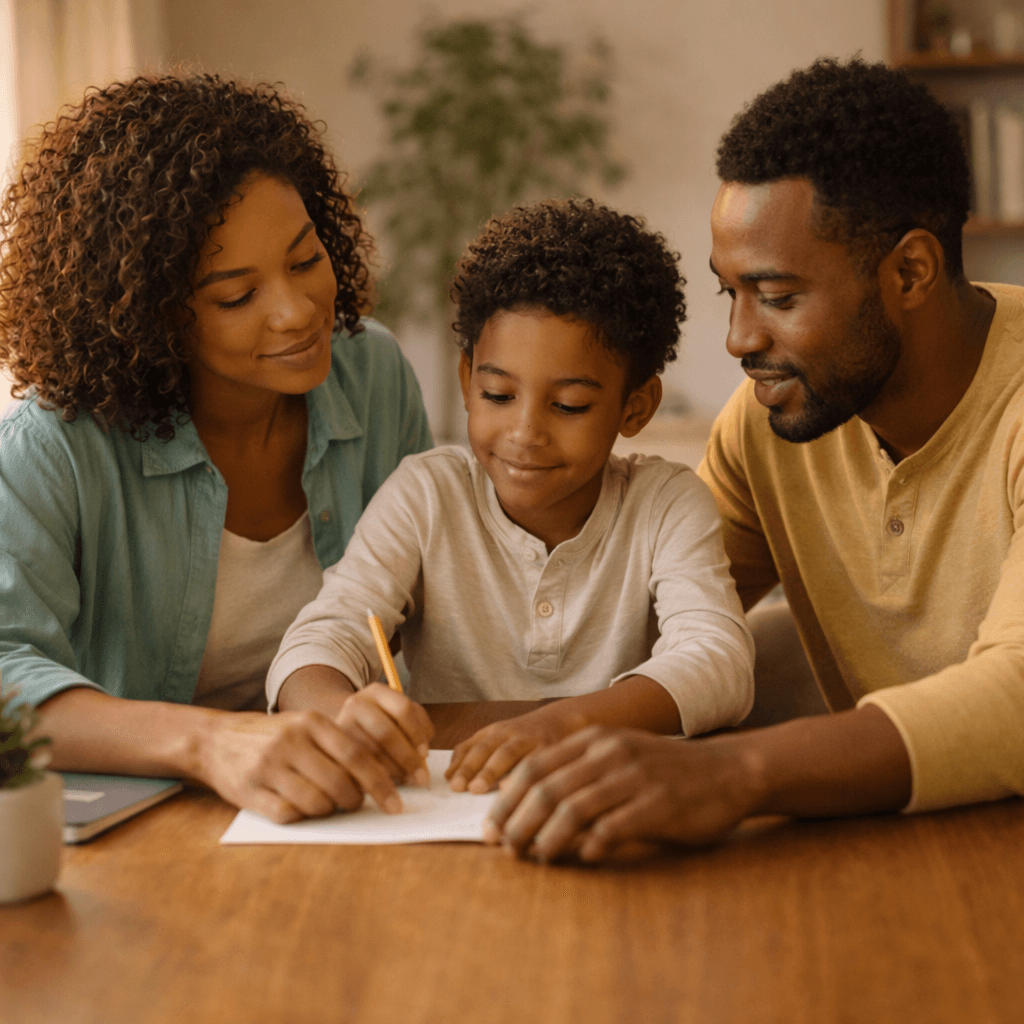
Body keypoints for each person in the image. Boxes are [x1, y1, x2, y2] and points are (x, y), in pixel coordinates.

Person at [483, 57, 1024, 862]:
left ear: (910, 270)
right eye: (728, 293)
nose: (739, 339)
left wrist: (729, 774)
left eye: (776, 298)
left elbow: (1016, 697)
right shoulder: (767, 425)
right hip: (900, 856)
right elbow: (640, 632)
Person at [0, 74, 435, 824]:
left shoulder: (373, 375)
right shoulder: (54, 444)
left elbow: (421, 602)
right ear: (145, 314)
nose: (298, 313)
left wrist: (365, 709)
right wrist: (212, 744)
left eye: (305, 261)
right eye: (236, 297)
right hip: (145, 836)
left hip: (340, 811)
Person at [269, 198, 755, 793]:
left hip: (600, 797)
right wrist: (340, 713)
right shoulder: (428, 494)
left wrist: (561, 724)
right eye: (499, 395)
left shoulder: (665, 503)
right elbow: (321, 638)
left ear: (637, 407)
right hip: (445, 801)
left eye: (570, 406)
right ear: (467, 381)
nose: (525, 434)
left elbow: (720, 662)